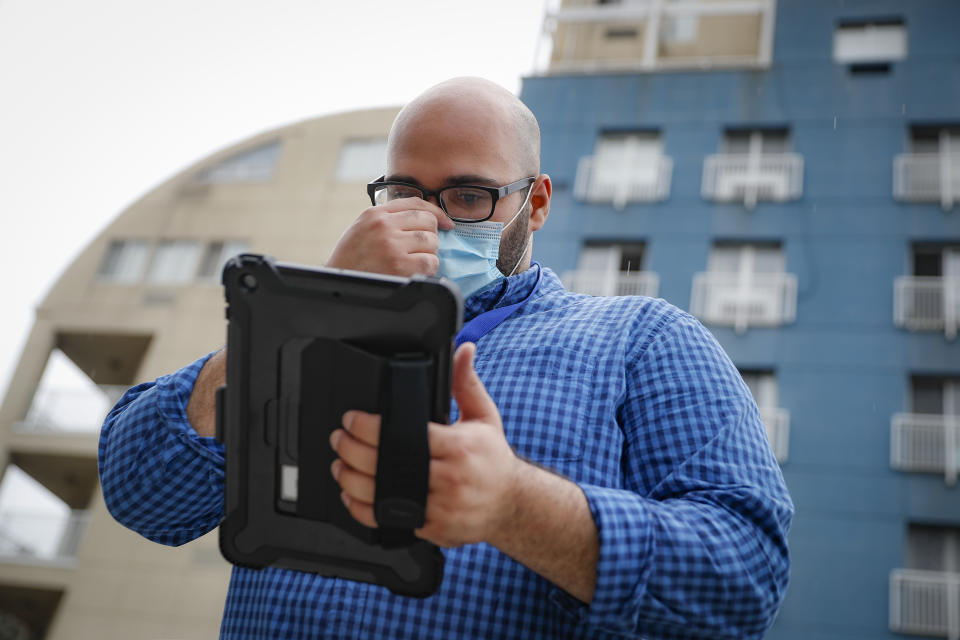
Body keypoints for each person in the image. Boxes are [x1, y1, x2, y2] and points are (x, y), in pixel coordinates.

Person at [99, 77, 793, 639]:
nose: (427, 221)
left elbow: (741, 582)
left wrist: (514, 507)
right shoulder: (300, 335)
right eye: (403, 193)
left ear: (537, 203)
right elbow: (140, 493)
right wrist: (306, 309)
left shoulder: (642, 340)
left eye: (467, 196)